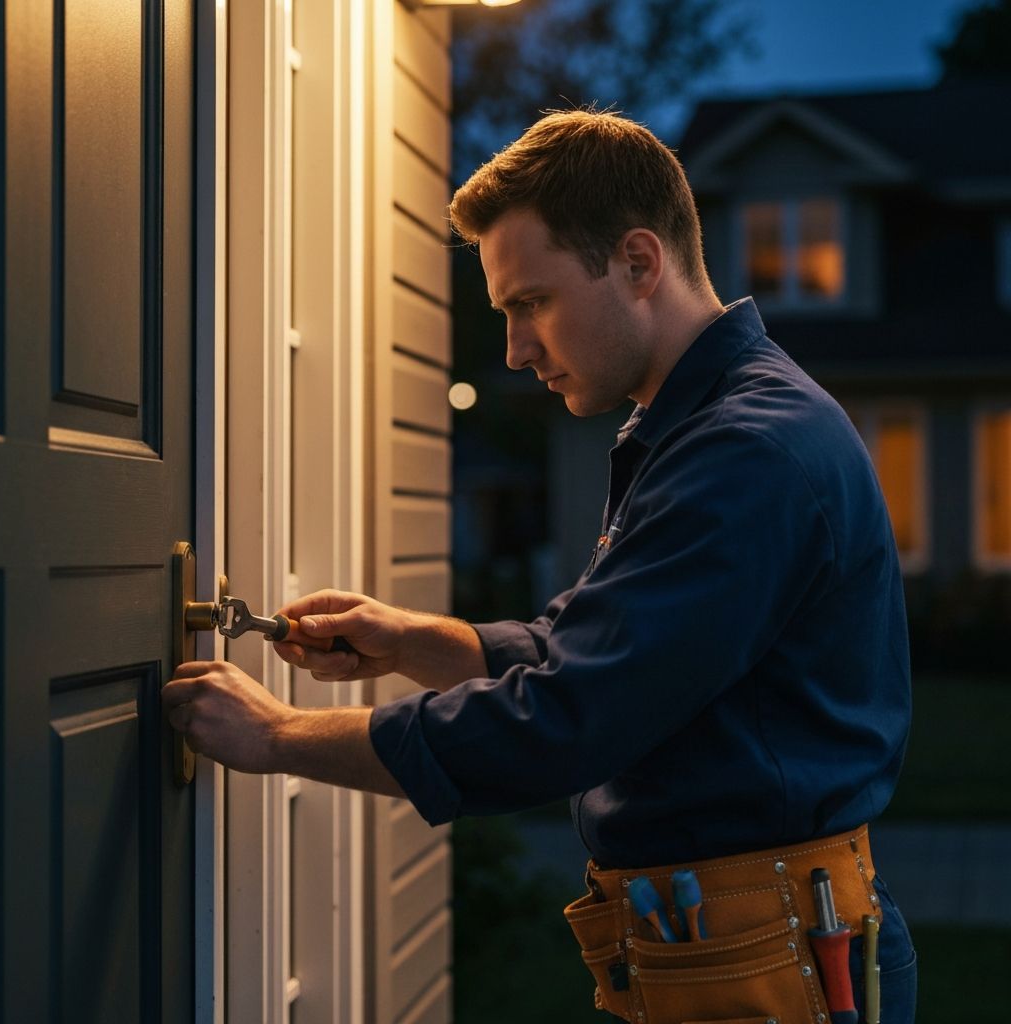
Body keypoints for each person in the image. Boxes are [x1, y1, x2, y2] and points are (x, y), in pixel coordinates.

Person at [163, 110, 916, 1023]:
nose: (517, 350)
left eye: (532, 303)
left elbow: (567, 719)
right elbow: (595, 649)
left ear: (640, 263)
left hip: (771, 974)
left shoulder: (747, 452)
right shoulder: (700, 428)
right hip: (732, 953)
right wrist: (410, 639)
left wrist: (277, 737)